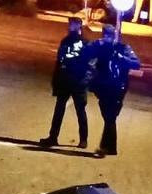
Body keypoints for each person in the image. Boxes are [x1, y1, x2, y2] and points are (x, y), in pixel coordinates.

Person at [82, 24, 141, 157]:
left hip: (118, 86)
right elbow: (84, 55)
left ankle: (105, 147)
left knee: (110, 116)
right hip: (103, 86)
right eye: (106, 35)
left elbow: (136, 64)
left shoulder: (123, 48)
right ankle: (111, 147)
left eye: (110, 35)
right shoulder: (100, 45)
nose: (107, 38)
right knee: (109, 117)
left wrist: (121, 58)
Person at [40, 17, 90, 148]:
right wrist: (56, 79)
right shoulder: (66, 41)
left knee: (80, 111)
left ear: (79, 27)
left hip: (78, 82)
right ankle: (53, 137)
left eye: (72, 25)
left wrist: (85, 80)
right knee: (59, 109)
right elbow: (59, 61)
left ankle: (83, 139)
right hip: (66, 80)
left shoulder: (85, 44)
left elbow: (90, 65)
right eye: (70, 25)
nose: (69, 27)